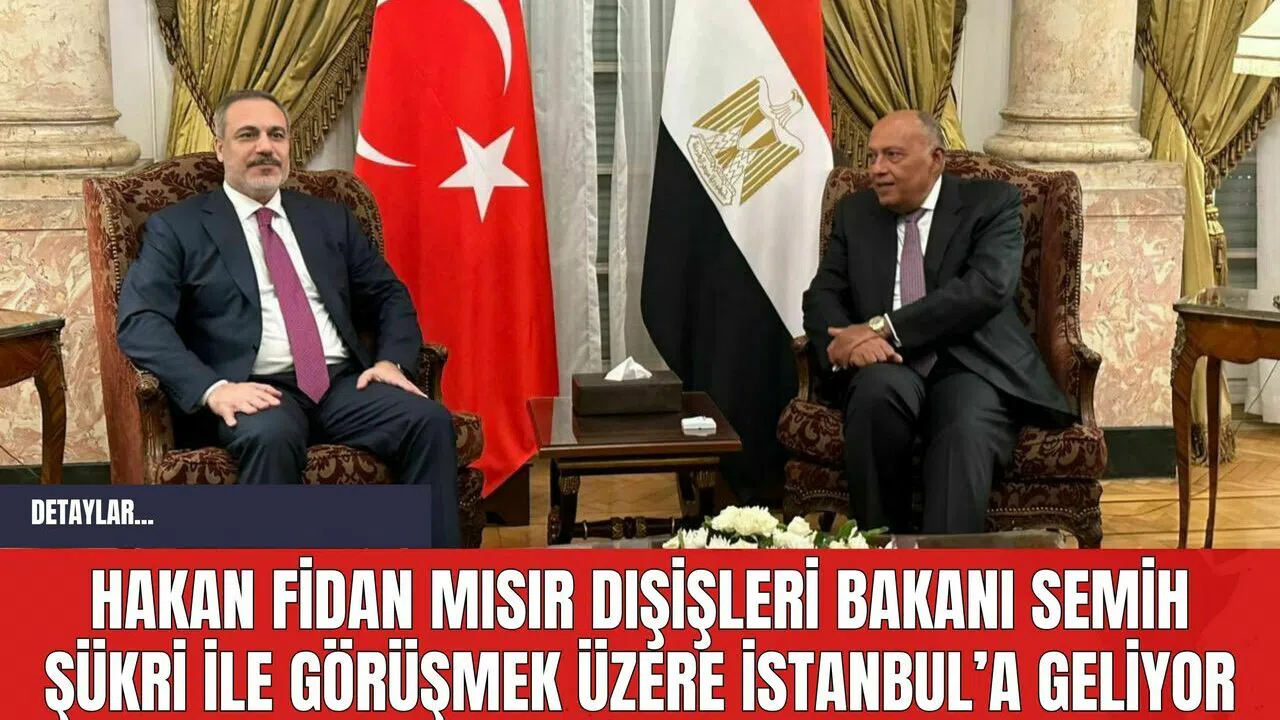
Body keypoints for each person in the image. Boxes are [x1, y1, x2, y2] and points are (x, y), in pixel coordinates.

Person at [116, 89, 460, 547]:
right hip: (254, 388)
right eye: (248, 135)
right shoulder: (178, 227)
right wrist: (213, 389)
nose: (265, 147)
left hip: (341, 384)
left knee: (429, 421)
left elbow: (387, 294)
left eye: (276, 135)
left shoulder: (328, 219)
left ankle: (433, 581)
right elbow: (141, 321)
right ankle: (270, 586)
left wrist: (391, 361)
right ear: (220, 148)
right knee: (271, 436)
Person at [801, 110, 1075, 535]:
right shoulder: (855, 212)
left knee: (964, 427)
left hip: (971, 362)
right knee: (874, 396)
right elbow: (822, 296)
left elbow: (985, 288)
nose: (876, 169)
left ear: (936, 159)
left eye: (892, 155)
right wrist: (847, 344)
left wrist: (881, 327)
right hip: (886, 363)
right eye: (872, 156)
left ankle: (945, 567)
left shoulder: (991, 203)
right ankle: (879, 554)